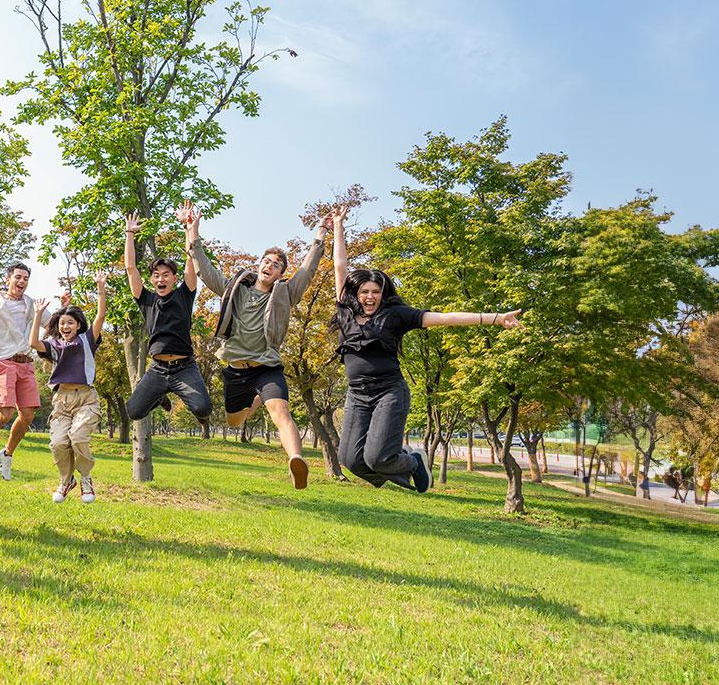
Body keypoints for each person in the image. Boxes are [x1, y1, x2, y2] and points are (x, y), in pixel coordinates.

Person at [331, 209, 522, 492]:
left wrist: (495, 317)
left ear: (382, 294)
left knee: (376, 457)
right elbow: (340, 266)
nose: (369, 297)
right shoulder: (345, 311)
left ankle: (412, 462)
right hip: (357, 394)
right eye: (364, 292)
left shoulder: (396, 315)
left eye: (375, 292)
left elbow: (445, 318)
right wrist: (338, 226)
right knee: (351, 460)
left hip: (388, 392)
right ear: (356, 293)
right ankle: (397, 472)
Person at [189, 202, 339, 489]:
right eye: (267, 262)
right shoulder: (235, 290)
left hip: (267, 368)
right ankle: (255, 400)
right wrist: (193, 232)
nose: (270, 266)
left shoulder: (285, 294)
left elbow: (307, 270)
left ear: (281, 274)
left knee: (281, 413)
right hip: (235, 370)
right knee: (235, 421)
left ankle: (295, 459)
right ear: (259, 266)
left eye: (277, 265)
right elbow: (205, 271)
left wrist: (321, 234)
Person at [122, 205, 212, 431]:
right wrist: (130, 234)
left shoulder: (185, 294)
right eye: (156, 275)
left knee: (203, 409)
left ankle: (198, 411)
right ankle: (159, 396)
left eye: (165, 275)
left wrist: (187, 227)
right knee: (134, 411)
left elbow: (190, 259)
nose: (160, 279)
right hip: (158, 368)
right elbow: (131, 268)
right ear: (152, 280)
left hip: (185, 367)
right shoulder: (146, 299)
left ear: (173, 278)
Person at [0, 262, 54, 480]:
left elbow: (53, 324)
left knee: (27, 415)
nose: (22, 282)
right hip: (3, 361)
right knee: (6, 412)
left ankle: (6, 454)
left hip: (26, 362)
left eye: (26, 278)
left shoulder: (32, 304)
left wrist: (41, 341)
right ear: (8, 279)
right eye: (18, 277)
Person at [30, 274, 109, 503]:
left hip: (85, 398)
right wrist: (37, 315)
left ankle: (85, 478)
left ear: (78, 325)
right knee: (57, 443)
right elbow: (33, 343)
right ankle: (67, 480)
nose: (65, 326)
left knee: (78, 436)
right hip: (62, 399)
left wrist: (101, 290)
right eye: (62, 323)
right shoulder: (53, 345)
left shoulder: (87, 340)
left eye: (70, 323)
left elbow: (101, 315)